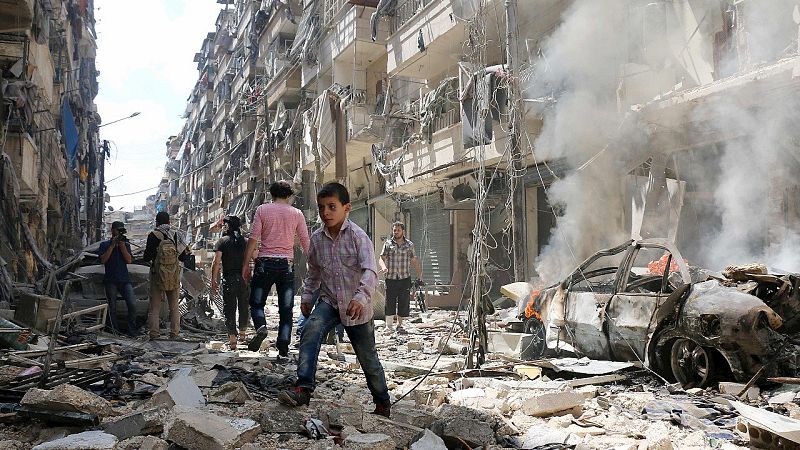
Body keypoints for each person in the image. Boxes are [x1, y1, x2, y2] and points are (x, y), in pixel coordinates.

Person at [278, 182, 391, 418]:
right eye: (321, 208)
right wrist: (307, 296)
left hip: (357, 307)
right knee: (310, 330)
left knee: (368, 359)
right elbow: (313, 272)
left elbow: (370, 271)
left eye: (332, 207)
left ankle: (382, 402)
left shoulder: (358, 237)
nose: (325, 213)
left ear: (346, 208)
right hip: (329, 302)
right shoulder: (317, 239)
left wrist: (361, 297)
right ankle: (303, 388)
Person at [242, 180, 310, 354]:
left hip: (265, 263)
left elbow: (253, 239)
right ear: (289, 195)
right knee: (286, 310)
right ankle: (283, 348)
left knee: (256, 303)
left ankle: (261, 326)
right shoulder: (297, 213)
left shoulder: (262, 210)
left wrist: (246, 265)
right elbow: (305, 240)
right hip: (287, 265)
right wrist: (313, 263)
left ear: (271, 194)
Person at [143, 211, 190, 340]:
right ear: (169, 222)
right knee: (174, 307)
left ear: (157, 222)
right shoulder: (176, 235)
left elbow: (146, 257)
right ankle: (174, 333)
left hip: (157, 276)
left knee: (155, 307)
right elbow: (183, 257)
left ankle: (154, 334)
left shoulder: (153, 235)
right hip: (173, 276)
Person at [211, 215, 249, 349]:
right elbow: (255, 258)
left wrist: (213, 280)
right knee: (244, 306)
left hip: (229, 279)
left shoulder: (222, 242)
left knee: (229, 308)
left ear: (227, 226)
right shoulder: (246, 242)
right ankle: (243, 334)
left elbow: (216, 262)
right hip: (244, 279)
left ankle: (233, 339)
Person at [378, 221, 422, 335]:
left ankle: (400, 325)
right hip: (391, 277)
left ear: (403, 231)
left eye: (398, 230)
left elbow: (414, 260)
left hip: (404, 277)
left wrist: (419, 276)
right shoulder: (388, 244)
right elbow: (381, 258)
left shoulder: (409, 245)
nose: (396, 232)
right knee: (390, 301)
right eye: (394, 230)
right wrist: (383, 267)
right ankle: (388, 326)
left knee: (403, 302)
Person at [98, 221, 138, 336]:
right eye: (117, 230)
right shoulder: (104, 245)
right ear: (112, 231)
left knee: (132, 303)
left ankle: (131, 330)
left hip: (124, 280)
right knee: (112, 307)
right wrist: (112, 246)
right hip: (111, 280)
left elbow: (129, 260)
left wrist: (122, 246)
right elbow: (103, 260)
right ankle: (114, 331)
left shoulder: (126, 245)